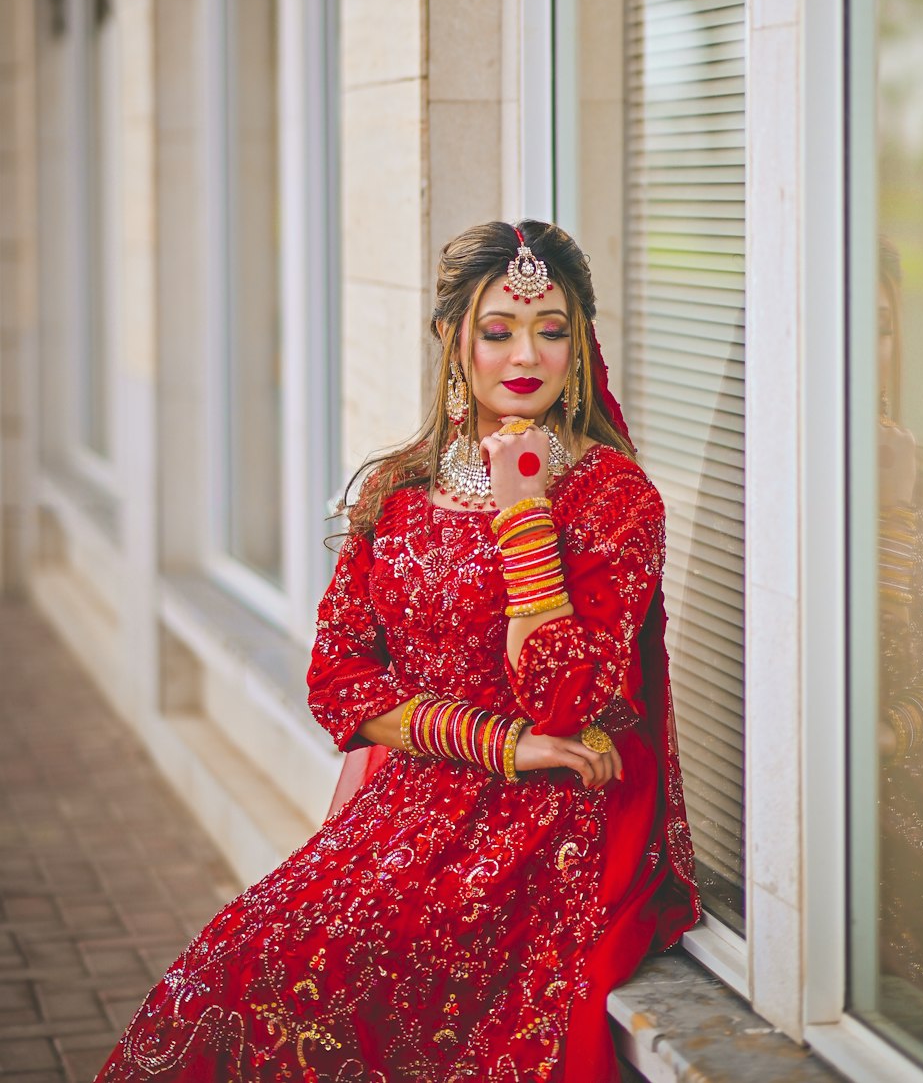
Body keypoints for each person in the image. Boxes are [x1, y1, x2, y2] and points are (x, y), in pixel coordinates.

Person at [94, 220, 700, 1083]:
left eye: (551, 329)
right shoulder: (399, 489)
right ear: (454, 342)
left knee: (335, 969)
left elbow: (566, 699)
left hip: (551, 814)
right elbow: (337, 678)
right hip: (420, 788)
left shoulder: (612, 496)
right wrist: (496, 742)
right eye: (498, 331)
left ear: (580, 341)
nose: (527, 352)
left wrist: (523, 509)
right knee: (234, 962)